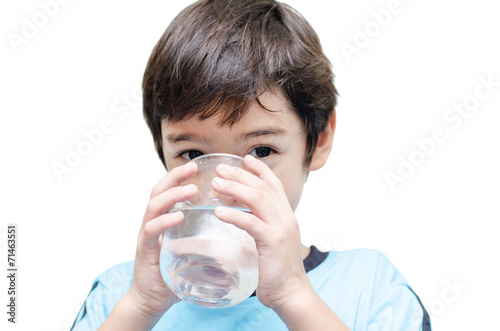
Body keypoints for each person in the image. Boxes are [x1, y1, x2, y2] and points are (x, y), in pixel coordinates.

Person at [71, 0, 431, 330]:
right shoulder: (119, 296)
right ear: (162, 149)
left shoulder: (372, 287)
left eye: (261, 151)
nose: (223, 187)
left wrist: (294, 294)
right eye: (194, 155)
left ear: (318, 140)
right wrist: (141, 305)